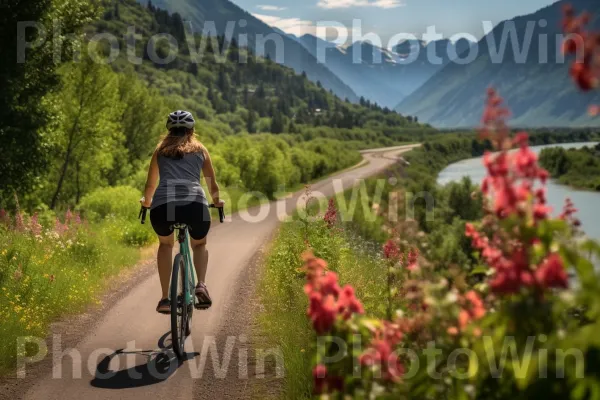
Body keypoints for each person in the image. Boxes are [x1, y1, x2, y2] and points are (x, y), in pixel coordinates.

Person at [140, 110, 223, 314]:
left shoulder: (160, 151)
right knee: (200, 243)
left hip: (163, 207)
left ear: (169, 130)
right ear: (192, 130)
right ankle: (201, 285)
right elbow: (212, 183)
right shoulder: (200, 150)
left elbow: (150, 185)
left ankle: (165, 299)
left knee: (166, 244)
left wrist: (146, 202)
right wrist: (217, 201)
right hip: (194, 205)